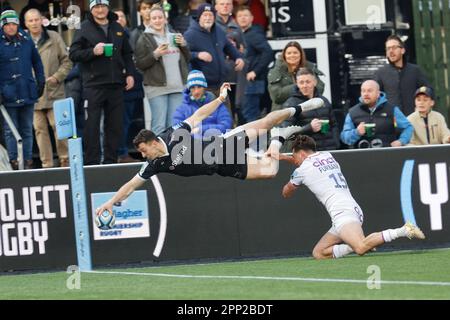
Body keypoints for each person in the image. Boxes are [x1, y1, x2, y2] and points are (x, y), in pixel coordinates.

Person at [95, 84, 325, 215]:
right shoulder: (154, 164)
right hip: (223, 166)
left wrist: (219, 99)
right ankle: (277, 139)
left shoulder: (173, 134)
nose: (143, 156)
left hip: (224, 143)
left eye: (144, 150)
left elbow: (198, 115)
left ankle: (298, 108)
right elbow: (130, 186)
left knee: (266, 122)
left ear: (154, 142)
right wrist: (109, 202)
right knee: (270, 172)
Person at [280, 135, 425, 260]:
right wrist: (284, 158)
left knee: (361, 247)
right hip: (347, 210)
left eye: (294, 156)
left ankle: (404, 230)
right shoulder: (327, 155)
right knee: (319, 253)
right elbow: (304, 162)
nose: (294, 159)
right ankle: (354, 246)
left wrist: (284, 172)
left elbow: (286, 193)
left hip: (343, 212)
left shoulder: (302, 171)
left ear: (302, 155)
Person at [69, 0, 135, 165]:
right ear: (91, 10)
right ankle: (92, 163)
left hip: (116, 84)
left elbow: (127, 54)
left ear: (107, 7)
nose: (100, 10)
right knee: (91, 126)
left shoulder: (117, 27)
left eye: (103, 6)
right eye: (96, 7)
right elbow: (74, 54)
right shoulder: (83, 27)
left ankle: (110, 162)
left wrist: (130, 74)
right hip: (93, 85)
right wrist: (93, 51)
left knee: (115, 126)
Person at [25, 9, 72, 168]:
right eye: (30, 21)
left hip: (54, 92)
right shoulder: (23, 41)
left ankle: (65, 161)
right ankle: (47, 165)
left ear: (42, 20)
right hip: (33, 95)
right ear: (25, 24)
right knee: (39, 130)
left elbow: (67, 62)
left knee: (60, 129)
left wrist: (57, 77)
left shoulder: (54, 37)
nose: (34, 23)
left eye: (36, 20)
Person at [0, 10, 45, 170]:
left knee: (27, 128)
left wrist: (41, 81)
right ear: (2, 26)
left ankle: (27, 161)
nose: (11, 27)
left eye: (14, 24)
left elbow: (37, 62)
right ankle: (14, 161)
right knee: (10, 130)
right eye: (7, 24)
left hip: (27, 91)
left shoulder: (26, 40)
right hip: (7, 93)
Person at [135, 6, 190, 135]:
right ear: (149, 21)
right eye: (154, 18)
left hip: (177, 87)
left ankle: (171, 154)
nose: (158, 20)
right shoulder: (144, 38)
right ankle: (158, 155)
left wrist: (184, 45)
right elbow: (139, 64)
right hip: (157, 88)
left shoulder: (175, 36)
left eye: (160, 17)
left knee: (174, 126)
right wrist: (155, 54)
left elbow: (187, 59)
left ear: (165, 19)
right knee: (159, 125)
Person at [183, 3, 245, 98]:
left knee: (225, 113)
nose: (208, 18)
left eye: (210, 15)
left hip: (221, 86)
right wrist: (198, 55)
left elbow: (229, 47)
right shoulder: (190, 34)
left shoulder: (219, 31)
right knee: (208, 113)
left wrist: (238, 57)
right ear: (199, 17)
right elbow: (183, 55)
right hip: (203, 88)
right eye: (205, 15)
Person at [340, 80, 413, 149]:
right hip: (361, 157)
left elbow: (408, 127)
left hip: (388, 156)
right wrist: (357, 132)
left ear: (378, 93)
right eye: (363, 91)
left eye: (369, 91)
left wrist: (401, 141)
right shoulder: (352, 112)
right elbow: (344, 138)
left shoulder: (392, 110)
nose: (366, 94)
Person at [283, 68, 339, 151]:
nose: (305, 85)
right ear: (297, 84)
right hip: (306, 151)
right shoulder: (291, 104)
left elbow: (334, 125)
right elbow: (286, 131)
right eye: (301, 82)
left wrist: (336, 143)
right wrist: (309, 127)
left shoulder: (324, 100)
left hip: (329, 150)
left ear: (315, 82)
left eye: (308, 82)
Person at [114, 9, 144, 163]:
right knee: (121, 123)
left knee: (129, 122)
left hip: (135, 87)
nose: (119, 19)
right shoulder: (112, 36)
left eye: (121, 16)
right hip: (120, 88)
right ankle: (121, 153)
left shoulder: (131, 35)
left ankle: (124, 152)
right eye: (116, 17)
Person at [374, 35, 430, 116]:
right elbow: (374, 96)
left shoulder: (415, 70)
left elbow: (427, 90)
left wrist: (421, 105)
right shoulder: (380, 73)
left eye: (394, 47)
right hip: (392, 120)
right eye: (388, 49)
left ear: (402, 50)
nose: (391, 51)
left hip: (414, 118)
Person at [235, 5, 273, 123]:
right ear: (236, 19)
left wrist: (255, 71)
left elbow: (268, 52)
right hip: (243, 82)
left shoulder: (254, 34)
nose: (243, 18)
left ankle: (256, 141)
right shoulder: (240, 34)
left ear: (252, 18)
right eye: (240, 16)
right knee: (243, 116)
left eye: (246, 15)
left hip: (253, 82)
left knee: (250, 117)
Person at [172, 70, 232, 139]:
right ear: (189, 89)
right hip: (191, 147)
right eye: (193, 88)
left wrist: (200, 130)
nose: (196, 91)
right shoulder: (181, 109)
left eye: (199, 87)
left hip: (215, 144)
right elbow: (177, 130)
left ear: (204, 87)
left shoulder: (217, 105)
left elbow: (226, 126)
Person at [268, 41, 325, 111]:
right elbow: (276, 96)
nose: (292, 55)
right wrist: (298, 86)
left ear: (300, 54)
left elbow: (320, 88)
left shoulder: (310, 68)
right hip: (283, 113)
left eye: (295, 53)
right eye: (289, 53)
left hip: (307, 111)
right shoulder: (276, 71)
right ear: (284, 55)